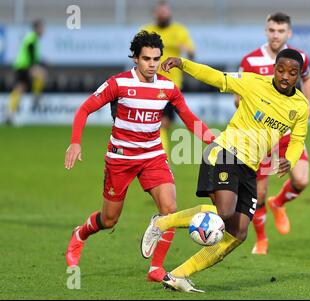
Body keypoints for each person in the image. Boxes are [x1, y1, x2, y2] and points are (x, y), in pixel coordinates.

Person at [141, 48, 309, 292]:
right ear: (274, 69)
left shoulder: (300, 106)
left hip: (250, 167)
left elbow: (297, 139)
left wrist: (290, 160)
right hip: (225, 152)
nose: (285, 76)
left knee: (238, 233)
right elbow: (217, 77)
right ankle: (163, 222)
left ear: (298, 75)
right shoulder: (253, 82)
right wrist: (183, 63)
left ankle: (177, 275)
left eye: (292, 73)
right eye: (281, 70)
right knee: (225, 212)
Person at [64, 31, 215, 283]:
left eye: (156, 58)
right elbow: (85, 109)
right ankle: (80, 233)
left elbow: (189, 118)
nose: (152, 64)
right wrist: (75, 143)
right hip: (120, 158)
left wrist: (212, 139)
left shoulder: (167, 87)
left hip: (153, 156)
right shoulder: (119, 84)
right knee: (109, 219)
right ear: (135, 58)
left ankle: (156, 269)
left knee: (169, 210)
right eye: (146, 59)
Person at [237, 12, 310, 255]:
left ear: (288, 33)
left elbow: (308, 78)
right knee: (258, 194)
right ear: (266, 31)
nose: (276, 35)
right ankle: (261, 240)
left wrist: (307, 106)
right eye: (272, 30)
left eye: (281, 31)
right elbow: (238, 99)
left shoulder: (299, 57)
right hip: (261, 136)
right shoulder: (250, 61)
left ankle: (279, 203)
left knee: (301, 180)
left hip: (288, 134)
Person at [141, 0, 196, 155]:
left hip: (172, 85)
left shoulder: (179, 31)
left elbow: (192, 54)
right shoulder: (146, 31)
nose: (163, 16)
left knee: (163, 124)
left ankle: (155, 156)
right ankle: (158, 157)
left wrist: (186, 50)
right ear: (155, 14)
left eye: (165, 13)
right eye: (160, 13)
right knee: (157, 123)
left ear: (169, 14)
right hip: (149, 83)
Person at [5, 19, 46, 124]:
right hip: (24, 66)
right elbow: (30, 50)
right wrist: (33, 66)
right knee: (41, 75)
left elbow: (33, 54)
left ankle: (9, 114)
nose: (43, 30)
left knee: (19, 89)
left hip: (22, 66)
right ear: (37, 28)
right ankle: (36, 97)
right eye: (41, 28)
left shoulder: (32, 38)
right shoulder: (32, 38)